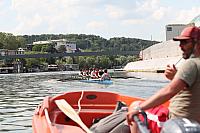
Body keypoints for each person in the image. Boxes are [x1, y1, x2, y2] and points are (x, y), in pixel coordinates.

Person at [127, 26, 200, 133]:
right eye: (180, 42)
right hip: (194, 121)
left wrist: (139, 109)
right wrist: (176, 77)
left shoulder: (191, 64)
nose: (180, 46)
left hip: (176, 120)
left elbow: (169, 91)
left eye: (185, 42)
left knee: (134, 105)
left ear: (197, 43)